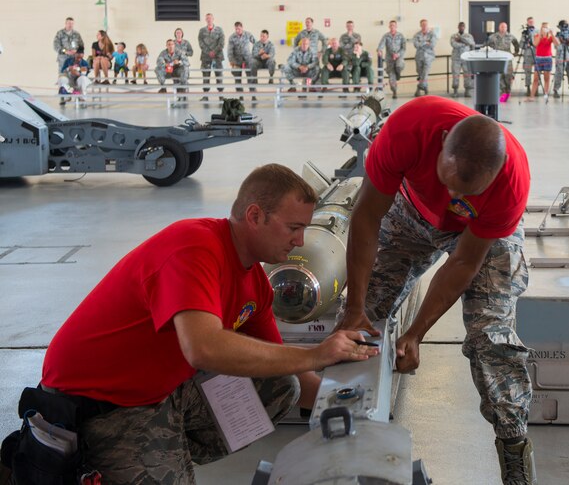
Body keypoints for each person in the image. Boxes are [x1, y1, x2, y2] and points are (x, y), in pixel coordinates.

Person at [37, 164, 376, 483]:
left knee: (281, 386)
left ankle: (164, 450)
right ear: (255, 216)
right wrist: (317, 353)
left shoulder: (254, 281)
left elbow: (283, 365)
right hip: (99, 401)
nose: (300, 241)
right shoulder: (194, 247)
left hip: (158, 389)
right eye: (294, 228)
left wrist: (348, 408)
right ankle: (113, 459)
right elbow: (203, 348)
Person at [337, 97, 536, 485]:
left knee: (490, 339)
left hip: (479, 236)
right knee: (360, 319)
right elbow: (367, 217)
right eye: (447, 181)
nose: (452, 196)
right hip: (411, 212)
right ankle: (344, 427)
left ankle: (514, 448)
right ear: (442, 141)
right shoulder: (409, 128)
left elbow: (463, 263)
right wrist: (354, 307)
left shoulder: (510, 184)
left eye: (466, 191)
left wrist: (417, 334)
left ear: (493, 176)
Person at [486, 22, 520, 101]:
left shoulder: (510, 36)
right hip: (497, 59)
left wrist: (515, 53)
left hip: (507, 59)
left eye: (504, 27)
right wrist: (491, 53)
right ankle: (503, 92)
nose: (503, 28)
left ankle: (508, 91)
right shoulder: (493, 36)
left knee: (508, 76)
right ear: (499, 27)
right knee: (499, 76)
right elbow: (486, 44)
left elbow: (516, 44)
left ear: (506, 28)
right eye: (501, 27)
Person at [198, 13, 225, 100]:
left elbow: (222, 42)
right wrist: (209, 52)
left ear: (213, 19)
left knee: (219, 76)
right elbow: (200, 43)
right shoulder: (202, 31)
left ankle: (221, 96)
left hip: (217, 57)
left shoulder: (219, 30)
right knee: (205, 76)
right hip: (206, 57)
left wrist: (214, 51)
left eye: (210, 18)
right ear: (206, 20)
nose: (209, 20)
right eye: (207, 18)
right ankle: (205, 96)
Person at [377, 20, 407, 98]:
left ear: (396, 26)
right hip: (389, 59)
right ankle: (394, 91)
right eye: (391, 25)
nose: (392, 27)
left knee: (399, 65)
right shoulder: (386, 36)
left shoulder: (400, 36)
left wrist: (398, 54)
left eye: (393, 25)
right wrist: (379, 50)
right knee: (391, 78)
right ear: (389, 26)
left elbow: (404, 48)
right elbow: (381, 44)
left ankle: (398, 74)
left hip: (399, 57)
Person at [529, 22, 559, 102]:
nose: (545, 29)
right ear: (541, 28)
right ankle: (532, 96)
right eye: (543, 27)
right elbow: (535, 44)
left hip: (547, 58)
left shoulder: (550, 37)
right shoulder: (537, 36)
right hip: (538, 58)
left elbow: (557, 43)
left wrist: (552, 34)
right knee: (535, 78)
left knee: (547, 78)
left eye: (546, 27)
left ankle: (546, 94)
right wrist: (540, 34)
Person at [228, 22, 256, 97]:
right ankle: (240, 95)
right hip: (237, 60)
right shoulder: (232, 37)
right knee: (237, 79)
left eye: (239, 29)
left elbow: (256, 44)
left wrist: (254, 56)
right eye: (236, 29)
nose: (237, 30)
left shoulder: (248, 34)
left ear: (242, 27)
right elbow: (229, 50)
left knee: (250, 78)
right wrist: (231, 61)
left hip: (248, 59)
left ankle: (253, 95)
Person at [412, 19, 437, 97]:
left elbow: (432, 45)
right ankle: (425, 88)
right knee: (420, 74)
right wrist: (426, 42)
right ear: (420, 25)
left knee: (425, 73)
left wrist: (421, 43)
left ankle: (418, 89)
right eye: (423, 24)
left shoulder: (432, 34)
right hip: (419, 57)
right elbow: (416, 45)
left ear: (428, 25)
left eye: (425, 24)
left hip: (429, 56)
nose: (424, 26)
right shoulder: (417, 35)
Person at [450, 22, 475, 98]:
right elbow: (454, 44)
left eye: (463, 26)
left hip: (466, 58)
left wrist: (461, 39)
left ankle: (468, 91)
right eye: (460, 26)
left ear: (465, 27)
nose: (462, 27)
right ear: (458, 27)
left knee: (467, 75)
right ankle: (455, 91)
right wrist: (465, 44)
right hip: (456, 59)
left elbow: (471, 43)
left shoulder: (469, 35)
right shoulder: (453, 36)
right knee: (455, 75)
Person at [250, 29, 277, 95]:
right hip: (259, 61)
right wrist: (259, 54)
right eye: (261, 36)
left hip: (267, 61)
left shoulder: (271, 44)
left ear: (267, 36)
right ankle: (254, 79)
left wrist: (266, 56)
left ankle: (271, 77)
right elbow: (253, 54)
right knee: (253, 62)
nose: (262, 37)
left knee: (272, 61)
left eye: (263, 36)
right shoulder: (256, 44)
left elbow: (272, 53)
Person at [520, 17, 537, 96]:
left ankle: (536, 88)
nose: (531, 23)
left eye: (532, 22)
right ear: (527, 23)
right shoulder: (524, 33)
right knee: (527, 72)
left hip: (537, 54)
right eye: (530, 22)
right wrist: (526, 44)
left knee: (538, 72)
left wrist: (534, 44)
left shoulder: (537, 31)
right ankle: (528, 87)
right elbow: (521, 44)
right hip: (528, 55)